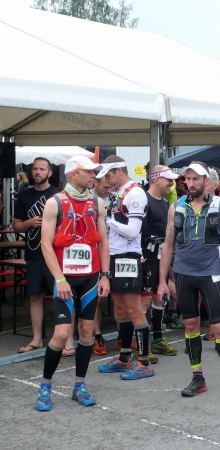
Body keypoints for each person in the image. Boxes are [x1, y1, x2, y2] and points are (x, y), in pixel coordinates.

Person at [157, 162, 220, 403]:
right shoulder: (176, 207)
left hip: (210, 272)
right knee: (191, 325)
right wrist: (162, 281)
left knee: (219, 327)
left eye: (196, 179)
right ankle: (198, 378)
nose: (191, 183)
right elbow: (168, 245)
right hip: (183, 273)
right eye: (189, 179)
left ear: (207, 181)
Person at [35, 156, 110, 411]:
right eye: (88, 172)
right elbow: (46, 244)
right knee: (62, 333)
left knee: (87, 331)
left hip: (90, 276)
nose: (94, 176)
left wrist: (105, 275)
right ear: (72, 174)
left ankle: (80, 385)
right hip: (64, 278)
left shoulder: (97, 203)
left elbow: (103, 241)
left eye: (94, 172)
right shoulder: (54, 202)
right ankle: (45, 386)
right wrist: (59, 279)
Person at [97, 156, 154, 380]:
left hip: (128, 257)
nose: (106, 180)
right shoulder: (117, 192)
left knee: (133, 309)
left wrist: (106, 220)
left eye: (109, 175)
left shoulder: (136, 192)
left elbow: (132, 231)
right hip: (113, 255)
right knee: (120, 310)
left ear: (119, 171)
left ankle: (144, 361)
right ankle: (124, 357)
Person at [13, 158, 60, 354]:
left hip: (56, 256)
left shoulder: (58, 195)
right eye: (35, 169)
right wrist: (29, 223)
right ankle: (37, 339)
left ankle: (63, 339)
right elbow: (16, 225)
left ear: (49, 173)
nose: (37, 172)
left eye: (42, 169)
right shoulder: (24, 196)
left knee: (62, 296)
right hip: (33, 255)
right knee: (35, 297)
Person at [141, 166, 180, 359]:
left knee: (159, 297)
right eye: (168, 179)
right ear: (156, 179)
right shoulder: (143, 200)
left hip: (160, 257)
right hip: (145, 257)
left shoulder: (165, 203)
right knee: (144, 300)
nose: (171, 183)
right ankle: (140, 346)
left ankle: (157, 339)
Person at [91, 171, 114, 356]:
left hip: (115, 250)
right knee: (96, 297)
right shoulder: (90, 200)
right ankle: (97, 335)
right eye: (105, 187)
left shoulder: (116, 198)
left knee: (120, 295)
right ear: (96, 183)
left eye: (111, 187)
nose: (108, 190)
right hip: (96, 252)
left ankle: (123, 334)